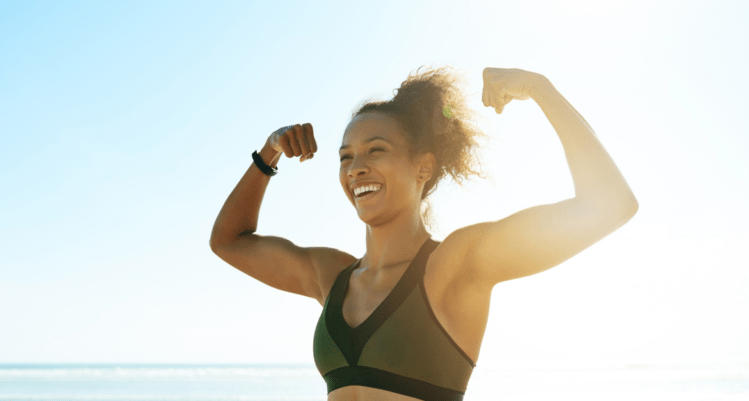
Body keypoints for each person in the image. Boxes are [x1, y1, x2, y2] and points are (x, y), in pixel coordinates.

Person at [209, 66, 639, 401]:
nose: (356, 167)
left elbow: (609, 205)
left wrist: (539, 87)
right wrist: (269, 152)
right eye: (345, 157)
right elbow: (228, 241)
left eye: (376, 150)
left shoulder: (455, 264)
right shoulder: (332, 276)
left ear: (423, 167)